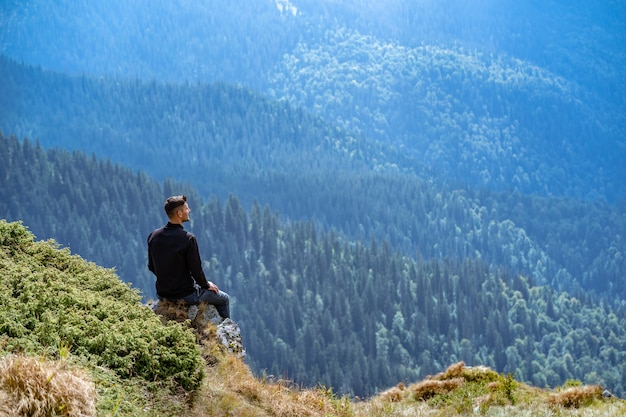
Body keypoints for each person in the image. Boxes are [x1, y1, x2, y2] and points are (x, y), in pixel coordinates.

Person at [147, 195, 230, 319]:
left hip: (163, 294)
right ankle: (226, 328)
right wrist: (207, 285)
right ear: (179, 213)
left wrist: (168, 280)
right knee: (224, 299)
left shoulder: (153, 236)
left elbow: (151, 266)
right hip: (186, 295)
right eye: (186, 208)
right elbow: (196, 270)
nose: (189, 210)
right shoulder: (188, 239)